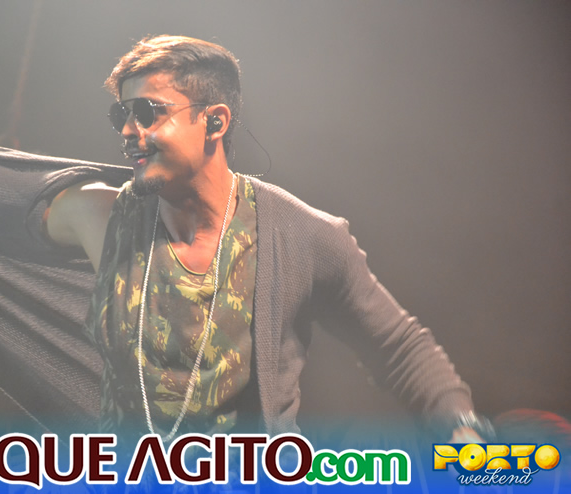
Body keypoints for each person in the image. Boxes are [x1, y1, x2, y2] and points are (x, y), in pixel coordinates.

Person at [41, 35, 487, 444]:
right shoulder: (100, 217)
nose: (127, 131)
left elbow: (400, 348)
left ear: (214, 121)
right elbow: (5, 202)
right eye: (121, 114)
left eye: (146, 113)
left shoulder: (301, 236)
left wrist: (462, 432)